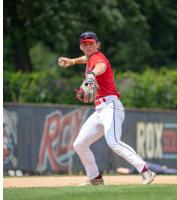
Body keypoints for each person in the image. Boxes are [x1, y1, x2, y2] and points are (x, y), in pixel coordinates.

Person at [58, 31, 156, 186]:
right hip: (100, 110)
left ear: (98, 44)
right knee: (79, 144)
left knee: (114, 141)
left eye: (91, 43)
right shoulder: (90, 58)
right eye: (85, 44)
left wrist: (91, 75)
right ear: (81, 46)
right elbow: (87, 59)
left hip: (111, 107)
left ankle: (146, 171)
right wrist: (72, 61)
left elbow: (101, 66)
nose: (88, 46)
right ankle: (95, 178)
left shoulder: (99, 58)